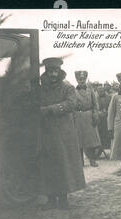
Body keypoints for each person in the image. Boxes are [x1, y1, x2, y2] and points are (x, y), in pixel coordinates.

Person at [38, 57, 86, 209]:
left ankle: (63, 199)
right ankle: (51, 199)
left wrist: (51, 109)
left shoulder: (67, 88)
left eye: (55, 71)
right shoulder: (40, 89)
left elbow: (71, 104)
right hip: (46, 132)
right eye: (50, 71)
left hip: (63, 132)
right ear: (46, 72)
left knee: (63, 164)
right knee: (48, 165)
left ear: (59, 72)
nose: (53, 74)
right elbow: (35, 104)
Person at [73, 70, 101, 167]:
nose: (82, 81)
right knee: (79, 141)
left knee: (91, 141)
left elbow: (95, 104)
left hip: (89, 117)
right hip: (78, 117)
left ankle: (92, 160)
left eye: (83, 79)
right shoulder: (73, 91)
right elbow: (72, 106)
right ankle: (80, 161)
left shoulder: (90, 90)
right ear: (76, 80)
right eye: (80, 79)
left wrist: (95, 114)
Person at [97, 85, 112, 151]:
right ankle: (101, 147)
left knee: (108, 133)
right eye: (99, 91)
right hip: (100, 120)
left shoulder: (109, 97)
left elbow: (111, 107)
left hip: (107, 118)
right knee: (101, 134)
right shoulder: (95, 98)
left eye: (102, 91)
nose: (101, 92)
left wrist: (107, 111)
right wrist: (99, 112)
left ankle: (109, 146)